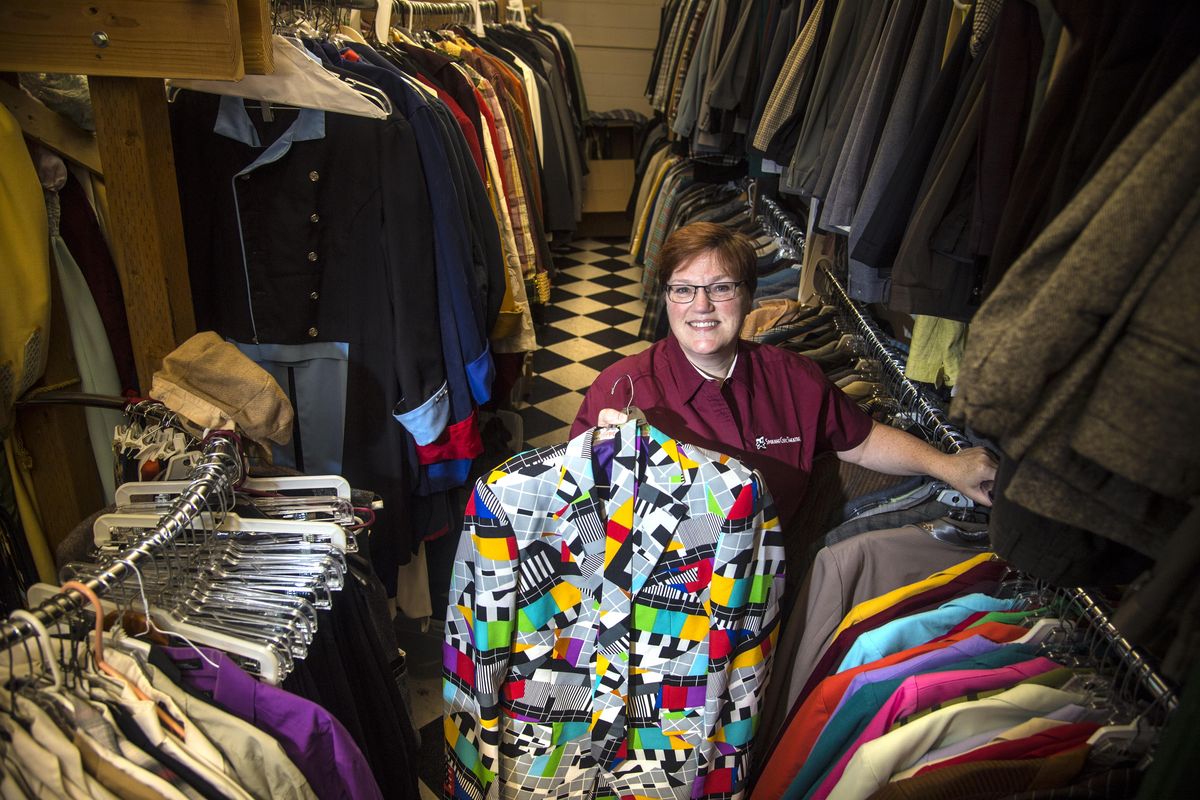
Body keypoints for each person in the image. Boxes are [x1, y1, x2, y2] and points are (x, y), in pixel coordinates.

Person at [570, 222, 997, 531]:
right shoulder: (620, 388)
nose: (701, 306)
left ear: (749, 296)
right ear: (666, 299)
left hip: (766, 589)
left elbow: (862, 441)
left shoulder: (792, 376)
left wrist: (946, 464)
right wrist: (602, 457)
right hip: (658, 605)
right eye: (683, 289)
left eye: (721, 288)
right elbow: (576, 506)